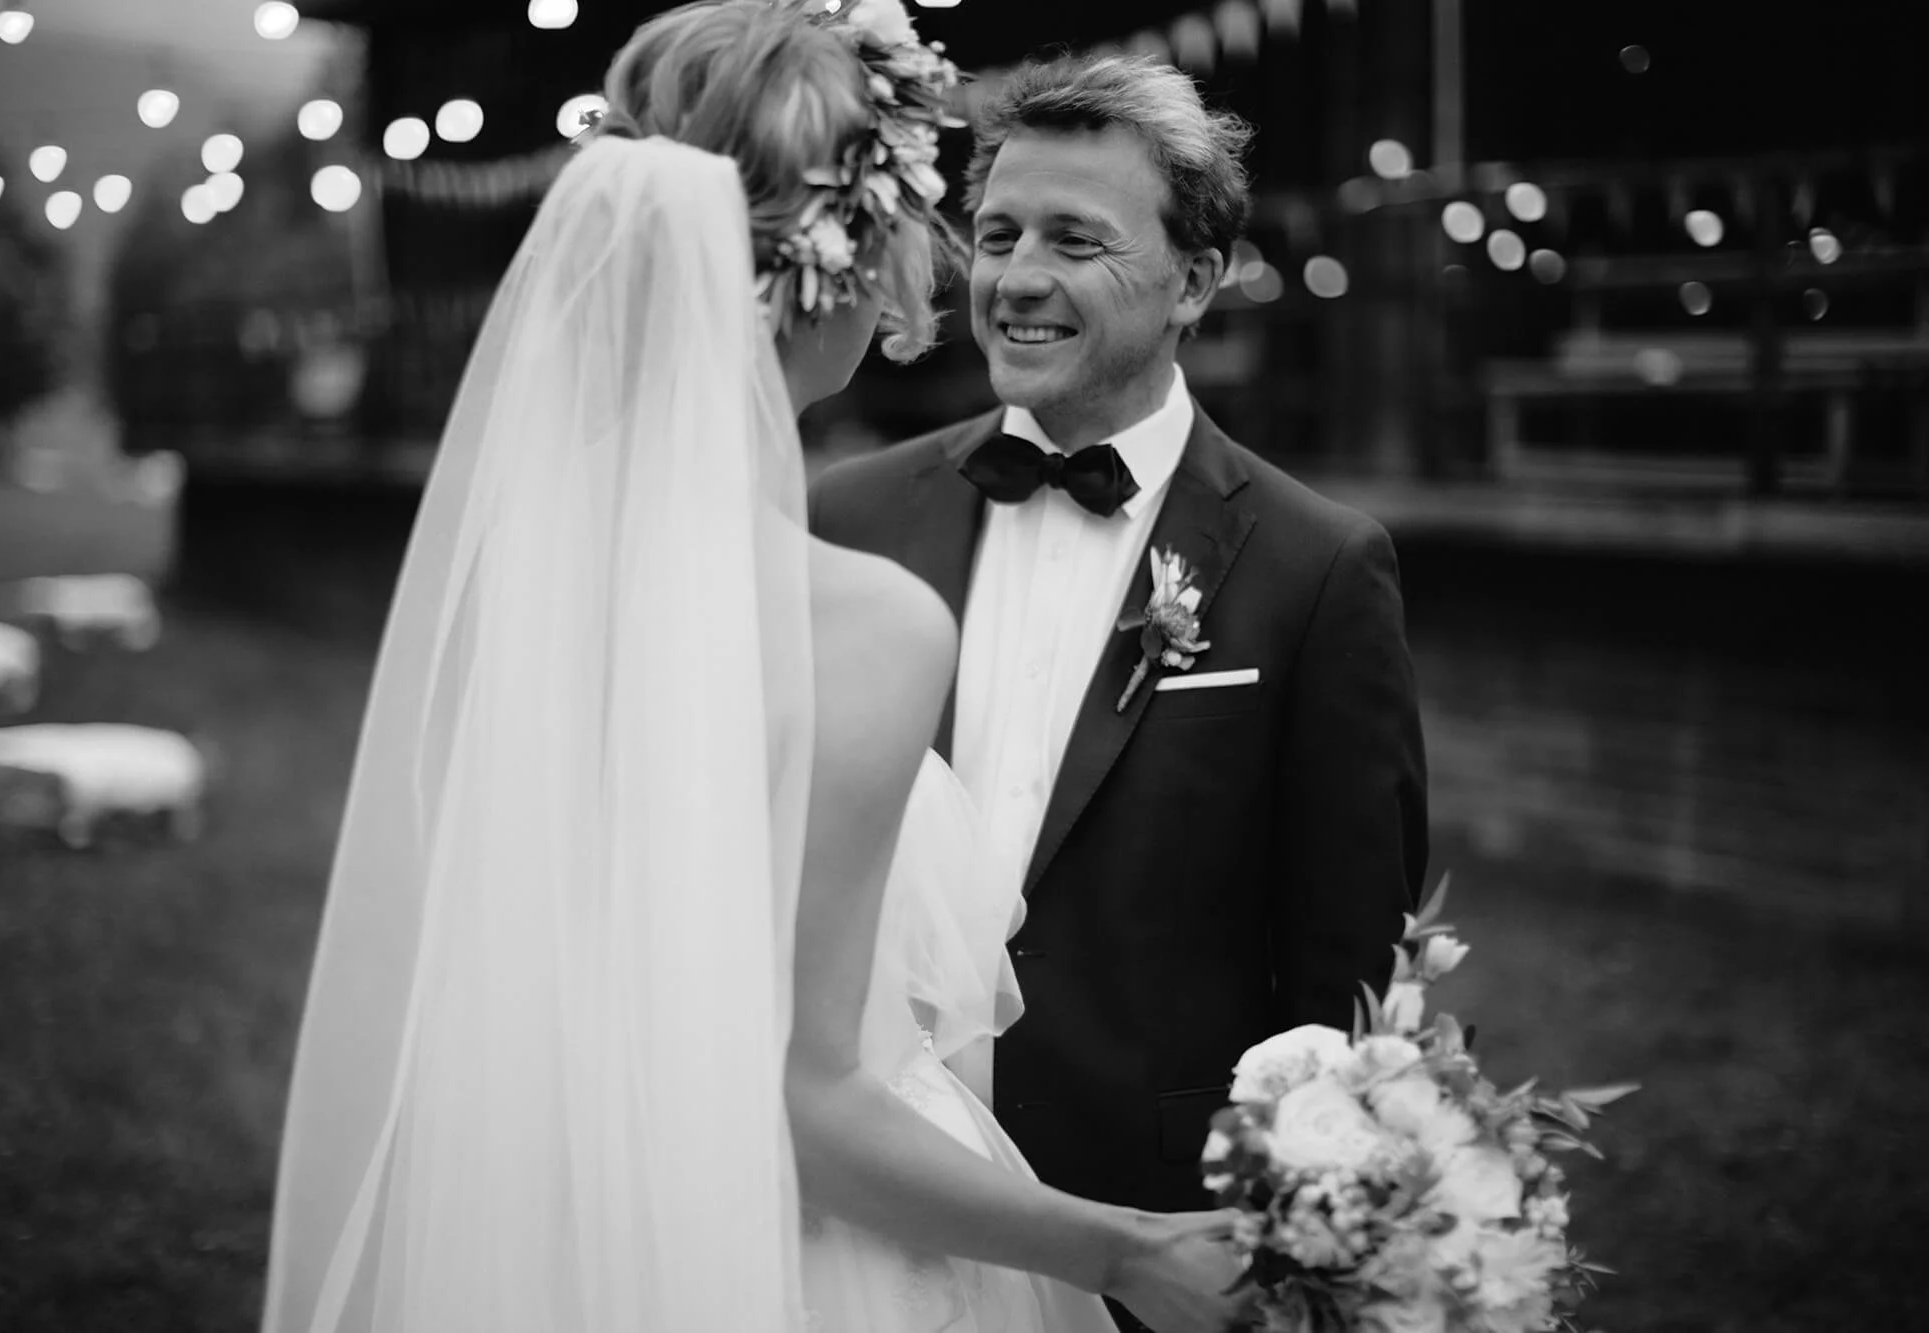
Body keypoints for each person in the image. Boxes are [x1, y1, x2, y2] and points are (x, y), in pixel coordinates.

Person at [259, 5, 1252, 1332]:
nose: (952, 253)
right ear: (845, 248)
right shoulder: (857, 622)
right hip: (788, 1264)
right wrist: (1127, 1252)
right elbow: (807, 1103)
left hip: (574, 1210)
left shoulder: (532, 568)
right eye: (927, 206)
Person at [808, 51, 1430, 1329]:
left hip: (1163, 1224)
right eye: (995, 233)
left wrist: (1315, 1232)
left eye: (1076, 240)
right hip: (869, 1204)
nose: (1016, 278)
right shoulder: (847, 522)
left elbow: (1350, 978)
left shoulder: (1316, 567)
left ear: (1193, 281)